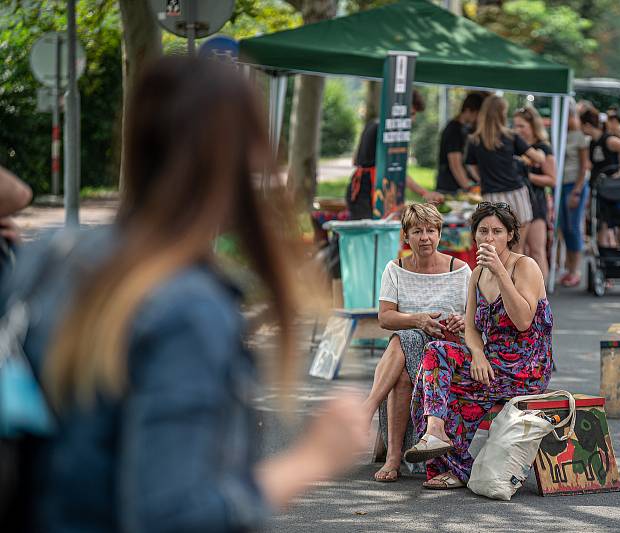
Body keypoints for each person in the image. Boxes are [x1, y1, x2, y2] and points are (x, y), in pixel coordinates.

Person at [6, 56, 369, 532]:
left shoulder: (49, 255)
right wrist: (313, 459)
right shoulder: (188, 307)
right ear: (247, 154)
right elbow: (174, 516)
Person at [404, 202, 554, 489]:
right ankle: (435, 431)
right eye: (483, 231)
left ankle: (457, 468)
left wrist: (499, 272)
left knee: (439, 385)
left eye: (497, 231)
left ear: (510, 235)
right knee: (435, 351)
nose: (489, 238)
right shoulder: (476, 274)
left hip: (526, 367)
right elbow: (471, 327)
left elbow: (523, 320)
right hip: (493, 362)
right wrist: (477, 354)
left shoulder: (525, 266)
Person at [362, 203, 471, 482]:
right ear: (405, 236)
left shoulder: (460, 271)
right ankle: (393, 454)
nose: (425, 237)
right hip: (410, 347)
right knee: (408, 339)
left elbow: (475, 321)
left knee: (404, 353)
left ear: (439, 233)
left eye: (431, 230)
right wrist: (418, 320)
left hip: (448, 351)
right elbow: (385, 318)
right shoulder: (395, 269)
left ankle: (390, 452)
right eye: (417, 231)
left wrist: (461, 323)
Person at [466, 95, 548, 253]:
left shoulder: (475, 140)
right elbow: (537, 158)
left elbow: (471, 166)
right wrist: (541, 152)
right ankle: (516, 279)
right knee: (518, 250)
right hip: (516, 195)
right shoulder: (511, 137)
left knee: (494, 250)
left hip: (492, 198)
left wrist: (483, 178)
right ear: (501, 114)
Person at [348, 90, 442, 219]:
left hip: (361, 188)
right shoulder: (387, 130)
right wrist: (424, 192)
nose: (413, 120)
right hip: (367, 191)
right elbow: (398, 170)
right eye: (411, 114)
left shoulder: (374, 123)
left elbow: (355, 159)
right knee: (370, 235)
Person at [580, 105, 620, 247]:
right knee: (601, 224)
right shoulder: (592, 143)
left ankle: (612, 248)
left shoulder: (609, 140)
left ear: (587, 125)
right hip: (598, 187)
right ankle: (606, 252)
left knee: (608, 224)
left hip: (612, 190)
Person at [513, 105, 556, 282]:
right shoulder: (515, 147)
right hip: (517, 203)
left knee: (537, 250)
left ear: (532, 126)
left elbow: (552, 179)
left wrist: (528, 176)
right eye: (515, 126)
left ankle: (541, 297)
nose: (517, 130)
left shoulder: (543, 148)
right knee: (519, 250)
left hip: (536, 203)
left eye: (521, 126)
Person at [558, 101, 590, 288]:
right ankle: (568, 267)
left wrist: (577, 189)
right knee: (564, 226)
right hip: (561, 186)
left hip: (574, 185)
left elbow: (584, 165)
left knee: (573, 226)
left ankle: (575, 269)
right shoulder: (560, 135)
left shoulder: (579, 137)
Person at [435, 93, 485, 194]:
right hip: (449, 189)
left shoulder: (467, 129)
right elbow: (455, 164)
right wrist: (469, 188)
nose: (478, 119)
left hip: (458, 188)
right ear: (468, 110)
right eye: (477, 114)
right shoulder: (454, 130)